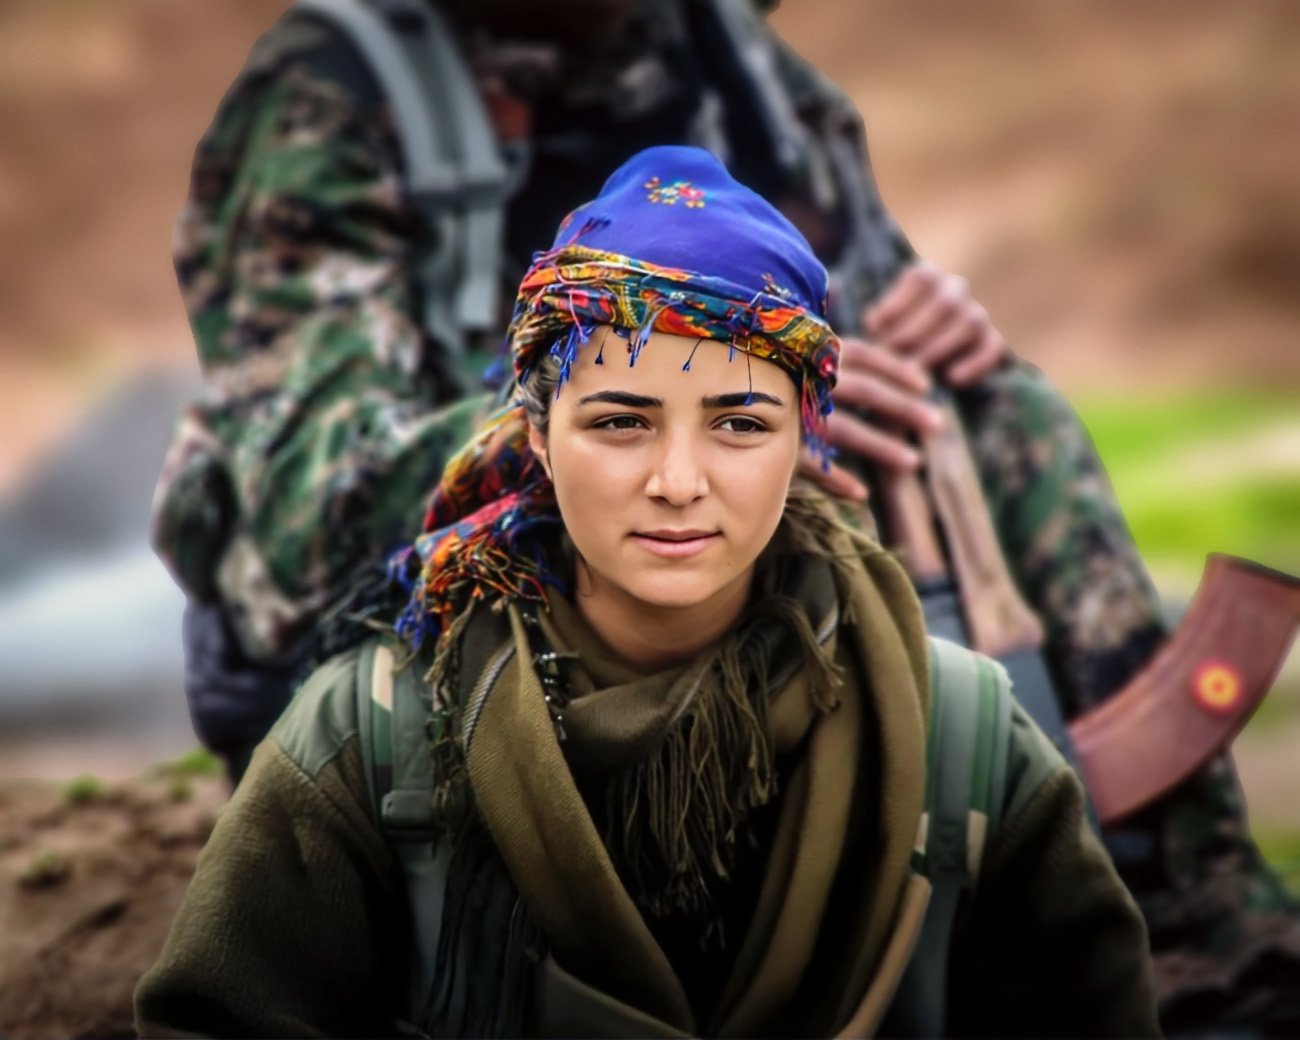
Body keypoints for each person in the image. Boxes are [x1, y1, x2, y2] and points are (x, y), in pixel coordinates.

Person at [148, 1, 1300, 1031]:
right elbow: (298, 503)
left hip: (707, 583)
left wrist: (899, 343)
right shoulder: (330, 97)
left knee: (995, 413)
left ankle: (1200, 921)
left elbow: (845, 302)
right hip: (405, 612)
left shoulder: (724, 59)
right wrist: (580, 410)